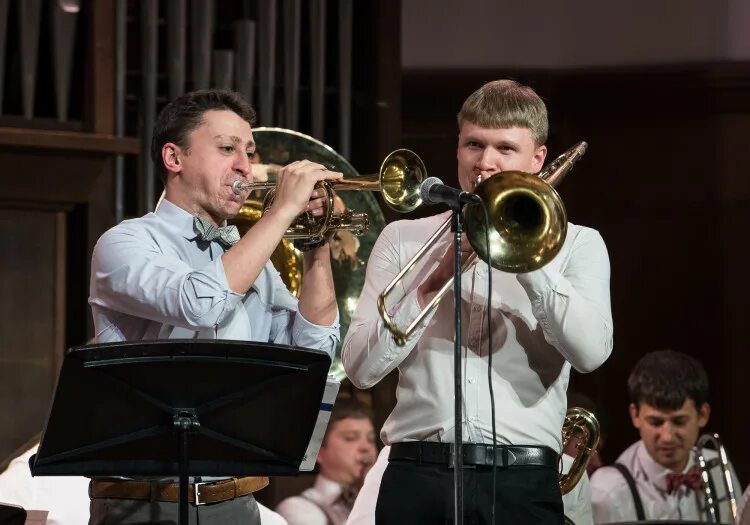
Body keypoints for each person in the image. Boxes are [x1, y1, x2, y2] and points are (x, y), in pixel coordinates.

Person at [342, 79, 613, 524]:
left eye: (505, 148)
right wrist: (434, 280)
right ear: (457, 148)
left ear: (538, 159)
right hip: (416, 474)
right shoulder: (403, 238)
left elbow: (590, 354)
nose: (485, 162)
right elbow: (360, 369)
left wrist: (526, 256)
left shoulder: (579, 244)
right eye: (473, 144)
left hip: (521, 480)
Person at [88, 89, 342, 524]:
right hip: (147, 503)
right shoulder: (125, 243)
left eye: (249, 151)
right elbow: (200, 304)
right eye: (227, 149)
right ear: (174, 158)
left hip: (237, 503)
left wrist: (318, 246)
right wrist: (279, 214)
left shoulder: (253, 259)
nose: (245, 165)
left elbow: (314, 353)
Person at [590, 350, 741, 523]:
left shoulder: (718, 469)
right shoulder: (607, 491)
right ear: (635, 416)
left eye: (679, 421)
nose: (667, 437)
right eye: (655, 422)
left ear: (703, 415)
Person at [276, 399, 378, 525]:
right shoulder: (297, 509)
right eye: (351, 438)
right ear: (319, 452)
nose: (366, 447)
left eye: (371, 439)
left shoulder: (383, 498)